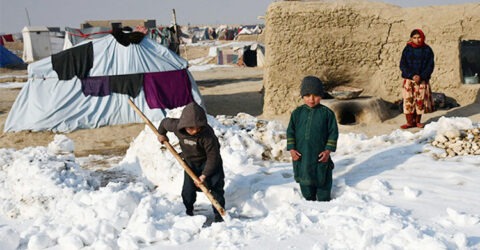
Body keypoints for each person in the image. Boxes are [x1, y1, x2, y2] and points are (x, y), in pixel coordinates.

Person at [157, 102, 225, 222]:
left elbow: (213, 157)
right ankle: (188, 213)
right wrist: (161, 134)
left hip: (209, 163)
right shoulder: (177, 126)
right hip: (190, 163)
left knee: (215, 189)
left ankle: (219, 216)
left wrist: (204, 176)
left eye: (198, 128)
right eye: (191, 128)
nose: (195, 131)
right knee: (188, 190)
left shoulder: (207, 135)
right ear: (184, 125)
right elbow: (164, 123)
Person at [286, 76, 339, 201]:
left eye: (315, 95)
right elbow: (290, 132)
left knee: (323, 179)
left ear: (321, 95)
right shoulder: (297, 113)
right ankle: (308, 201)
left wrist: (327, 151)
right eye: (307, 95)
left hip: (320, 155)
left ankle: (324, 201)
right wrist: (292, 149)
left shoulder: (327, 114)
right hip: (302, 156)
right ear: (302, 96)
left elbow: (333, 133)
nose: (311, 99)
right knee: (305, 181)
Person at [399, 28, 435, 129]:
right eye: (414, 38)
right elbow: (402, 65)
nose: (417, 40)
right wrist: (412, 76)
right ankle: (410, 122)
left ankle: (418, 121)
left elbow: (430, 66)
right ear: (411, 38)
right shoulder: (407, 49)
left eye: (419, 37)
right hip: (409, 80)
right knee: (409, 101)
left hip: (422, 80)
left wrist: (421, 76)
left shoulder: (427, 50)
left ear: (423, 37)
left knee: (420, 101)